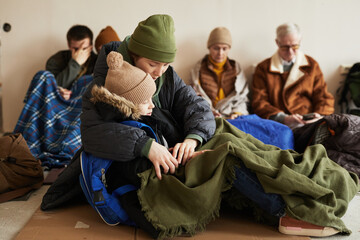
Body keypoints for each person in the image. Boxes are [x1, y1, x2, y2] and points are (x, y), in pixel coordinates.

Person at [41, 15, 358, 240]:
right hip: (145, 162)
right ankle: (291, 213)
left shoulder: (163, 72)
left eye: (166, 64)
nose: (160, 72)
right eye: (153, 65)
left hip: (179, 143)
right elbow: (92, 132)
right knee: (228, 157)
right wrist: (145, 145)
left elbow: (195, 106)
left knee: (246, 143)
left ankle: (304, 186)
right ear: (134, 55)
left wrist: (193, 137)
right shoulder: (106, 81)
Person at [251, 22, 335, 129]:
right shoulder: (263, 68)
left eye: (295, 46)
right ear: (277, 43)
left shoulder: (311, 65)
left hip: (309, 122)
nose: (290, 52)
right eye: (285, 47)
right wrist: (283, 118)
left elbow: (323, 96)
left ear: (300, 41)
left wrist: (320, 116)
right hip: (278, 124)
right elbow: (259, 102)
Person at [190, 27, 249, 119]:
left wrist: (236, 113)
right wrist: (210, 112)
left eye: (224, 48)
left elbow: (242, 97)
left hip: (232, 115)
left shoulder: (236, 68)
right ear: (209, 48)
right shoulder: (199, 68)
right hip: (207, 116)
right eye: (216, 48)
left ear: (229, 49)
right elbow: (195, 95)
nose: (220, 53)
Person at [46, 24, 97, 100]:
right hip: (60, 103)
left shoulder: (98, 61)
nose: (80, 53)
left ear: (91, 46)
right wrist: (75, 63)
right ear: (69, 46)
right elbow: (53, 88)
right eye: (76, 49)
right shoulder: (55, 60)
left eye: (84, 48)